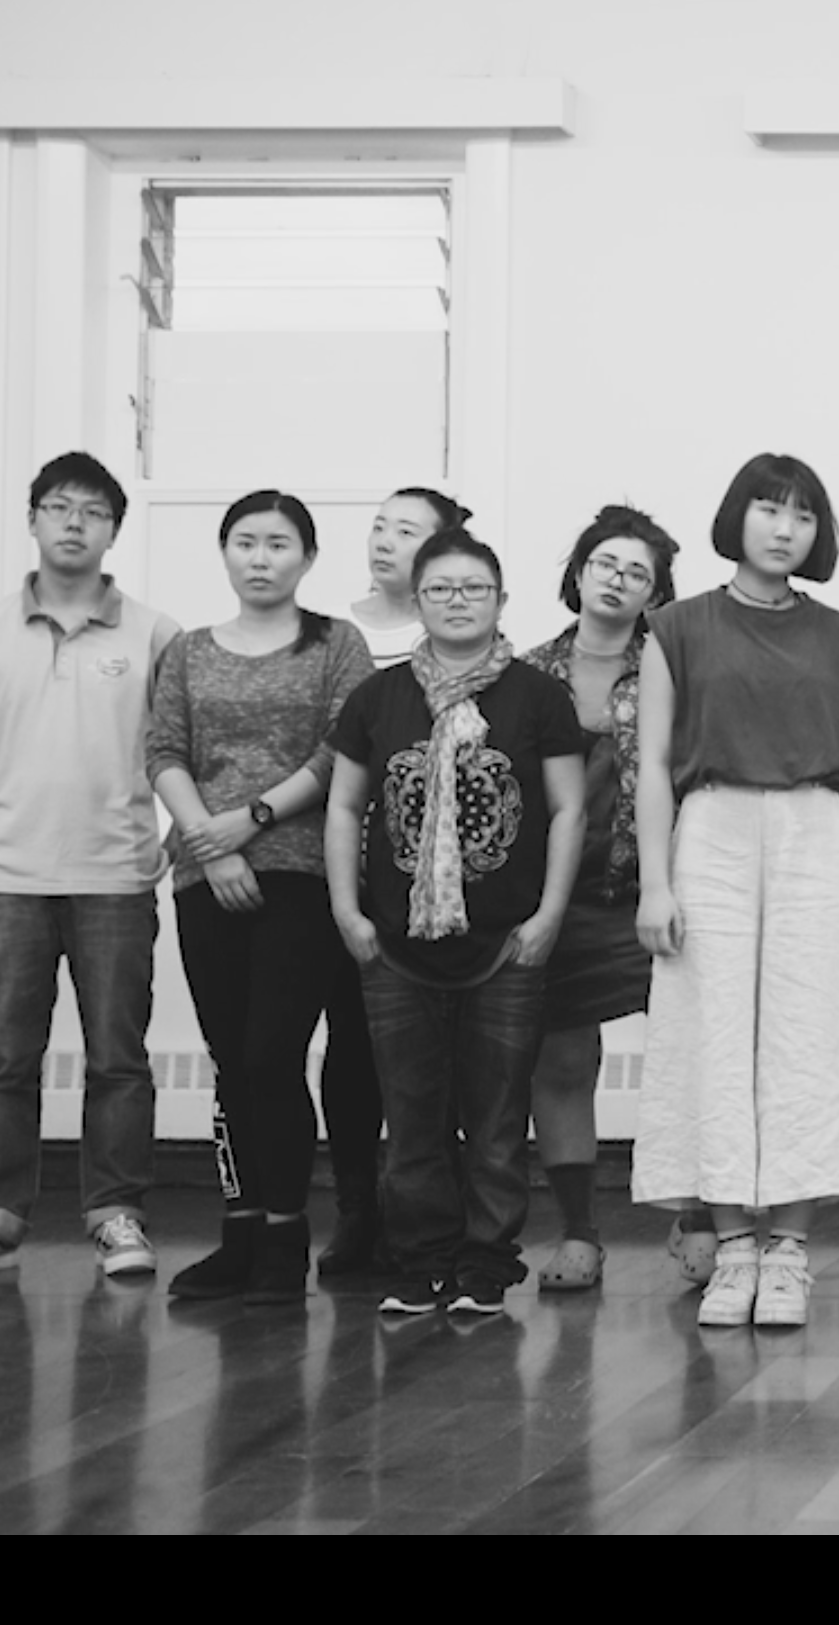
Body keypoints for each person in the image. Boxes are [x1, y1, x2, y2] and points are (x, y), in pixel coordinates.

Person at [631, 455, 839, 1331]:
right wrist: (655, 883)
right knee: (713, 1032)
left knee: (806, 1036)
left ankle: (789, 1252)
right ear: (735, 519)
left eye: (803, 515)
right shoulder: (676, 627)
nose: (785, 529)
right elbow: (655, 770)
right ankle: (733, 1248)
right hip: (709, 831)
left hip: (815, 832)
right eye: (768, 509)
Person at [0, 454, 180, 1282]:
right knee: (5, 1061)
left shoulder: (155, 633)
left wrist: (181, 833)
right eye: (59, 508)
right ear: (32, 519)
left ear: (115, 530)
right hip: (10, 883)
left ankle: (116, 1215)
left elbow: (185, 750)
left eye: (94, 512)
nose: (74, 523)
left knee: (119, 1058)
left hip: (117, 879)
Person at [324, 530, 586, 1317]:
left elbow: (570, 808)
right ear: (419, 601)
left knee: (498, 1116)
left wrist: (548, 917)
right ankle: (422, 1261)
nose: (458, 601)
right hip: (396, 947)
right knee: (410, 1117)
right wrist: (346, 910)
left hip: (506, 943)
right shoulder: (380, 696)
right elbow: (343, 805)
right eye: (441, 589)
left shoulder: (539, 697)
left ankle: (486, 1261)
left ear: (501, 601)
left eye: (474, 589)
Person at [147, 491, 373, 1304]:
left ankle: (286, 1240)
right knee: (229, 1063)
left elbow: (342, 751)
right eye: (245, 542)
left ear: (307, 558)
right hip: (203, 873)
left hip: (299, 872)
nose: (260, 557)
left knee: (273, 1056)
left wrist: (250, 820)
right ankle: (239, 1236)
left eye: (279, 544)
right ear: (225, 553)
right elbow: (165, 750)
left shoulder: (335, 644)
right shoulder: (187, 650)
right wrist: (208, 841)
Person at [518, 505, 681, 1293]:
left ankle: (700, 1216)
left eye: (637, 572)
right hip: (556, 896)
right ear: (578, 573)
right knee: (561, 1058)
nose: (618, 580)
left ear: (656, 593)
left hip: (651, 889)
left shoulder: (672, 670)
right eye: (605, 564)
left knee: (687, 1054)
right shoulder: (525, 672)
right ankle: (579, 1231)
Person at [320, 483, 469, 1277]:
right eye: (377, 525)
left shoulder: (459, 637)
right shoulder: (333, 633)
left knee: (432, 1051)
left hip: (433, 878)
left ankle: (429, 1213)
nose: (383, 540)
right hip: (347, 866)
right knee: (351, 1044)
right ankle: (355, 1211)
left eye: (406, 531)